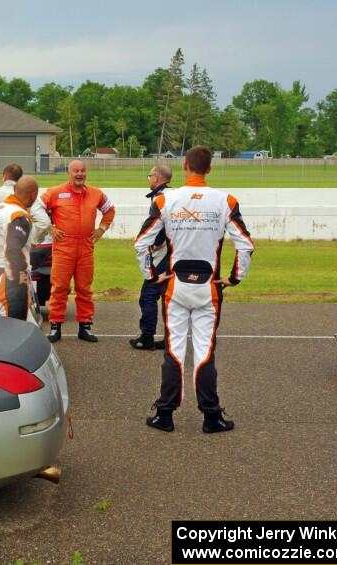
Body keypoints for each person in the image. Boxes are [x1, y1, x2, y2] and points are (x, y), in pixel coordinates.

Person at [134, 146, 254, 434]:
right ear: (209, 169)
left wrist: (152, 276)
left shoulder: (165, 199)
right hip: (209, 289)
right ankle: (211, 417)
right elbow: (246, 245)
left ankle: (165, 415)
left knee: (174, 350)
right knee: (204, 351)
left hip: (175, 287)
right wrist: (234, 278)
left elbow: (141, 243)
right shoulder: (226, 200)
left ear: (185, 166)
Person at [42, 160, 115, 343]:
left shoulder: (96, 193)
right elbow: (36, 209)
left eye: (82, 171)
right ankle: (55, 326)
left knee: (84, 288)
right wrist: (49, 228)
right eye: (76, 171)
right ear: (69, 172)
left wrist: (102, 229)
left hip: (86, 247)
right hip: (63, 247)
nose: (79, 174)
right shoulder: (55, 192)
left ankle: (85, 326)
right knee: (59, 287)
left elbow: (110, 210)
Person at [0, 176, 39, 322]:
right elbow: (13, 247)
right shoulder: (19, 215)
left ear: (14, 189)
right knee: (12, 334)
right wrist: (17, 274)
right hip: (9, 282)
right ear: (33, 195)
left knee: (29, 329)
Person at [130, 164, 172, 350]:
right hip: (176, 253)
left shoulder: (161, 198)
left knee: (148, 295)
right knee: (169, 298)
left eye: (149, 176)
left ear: (156, 178)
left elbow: (161, 227)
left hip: (164, 254)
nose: (148, 179)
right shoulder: (174, 195)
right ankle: (170, 339)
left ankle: (147, 337)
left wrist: (155, 243)